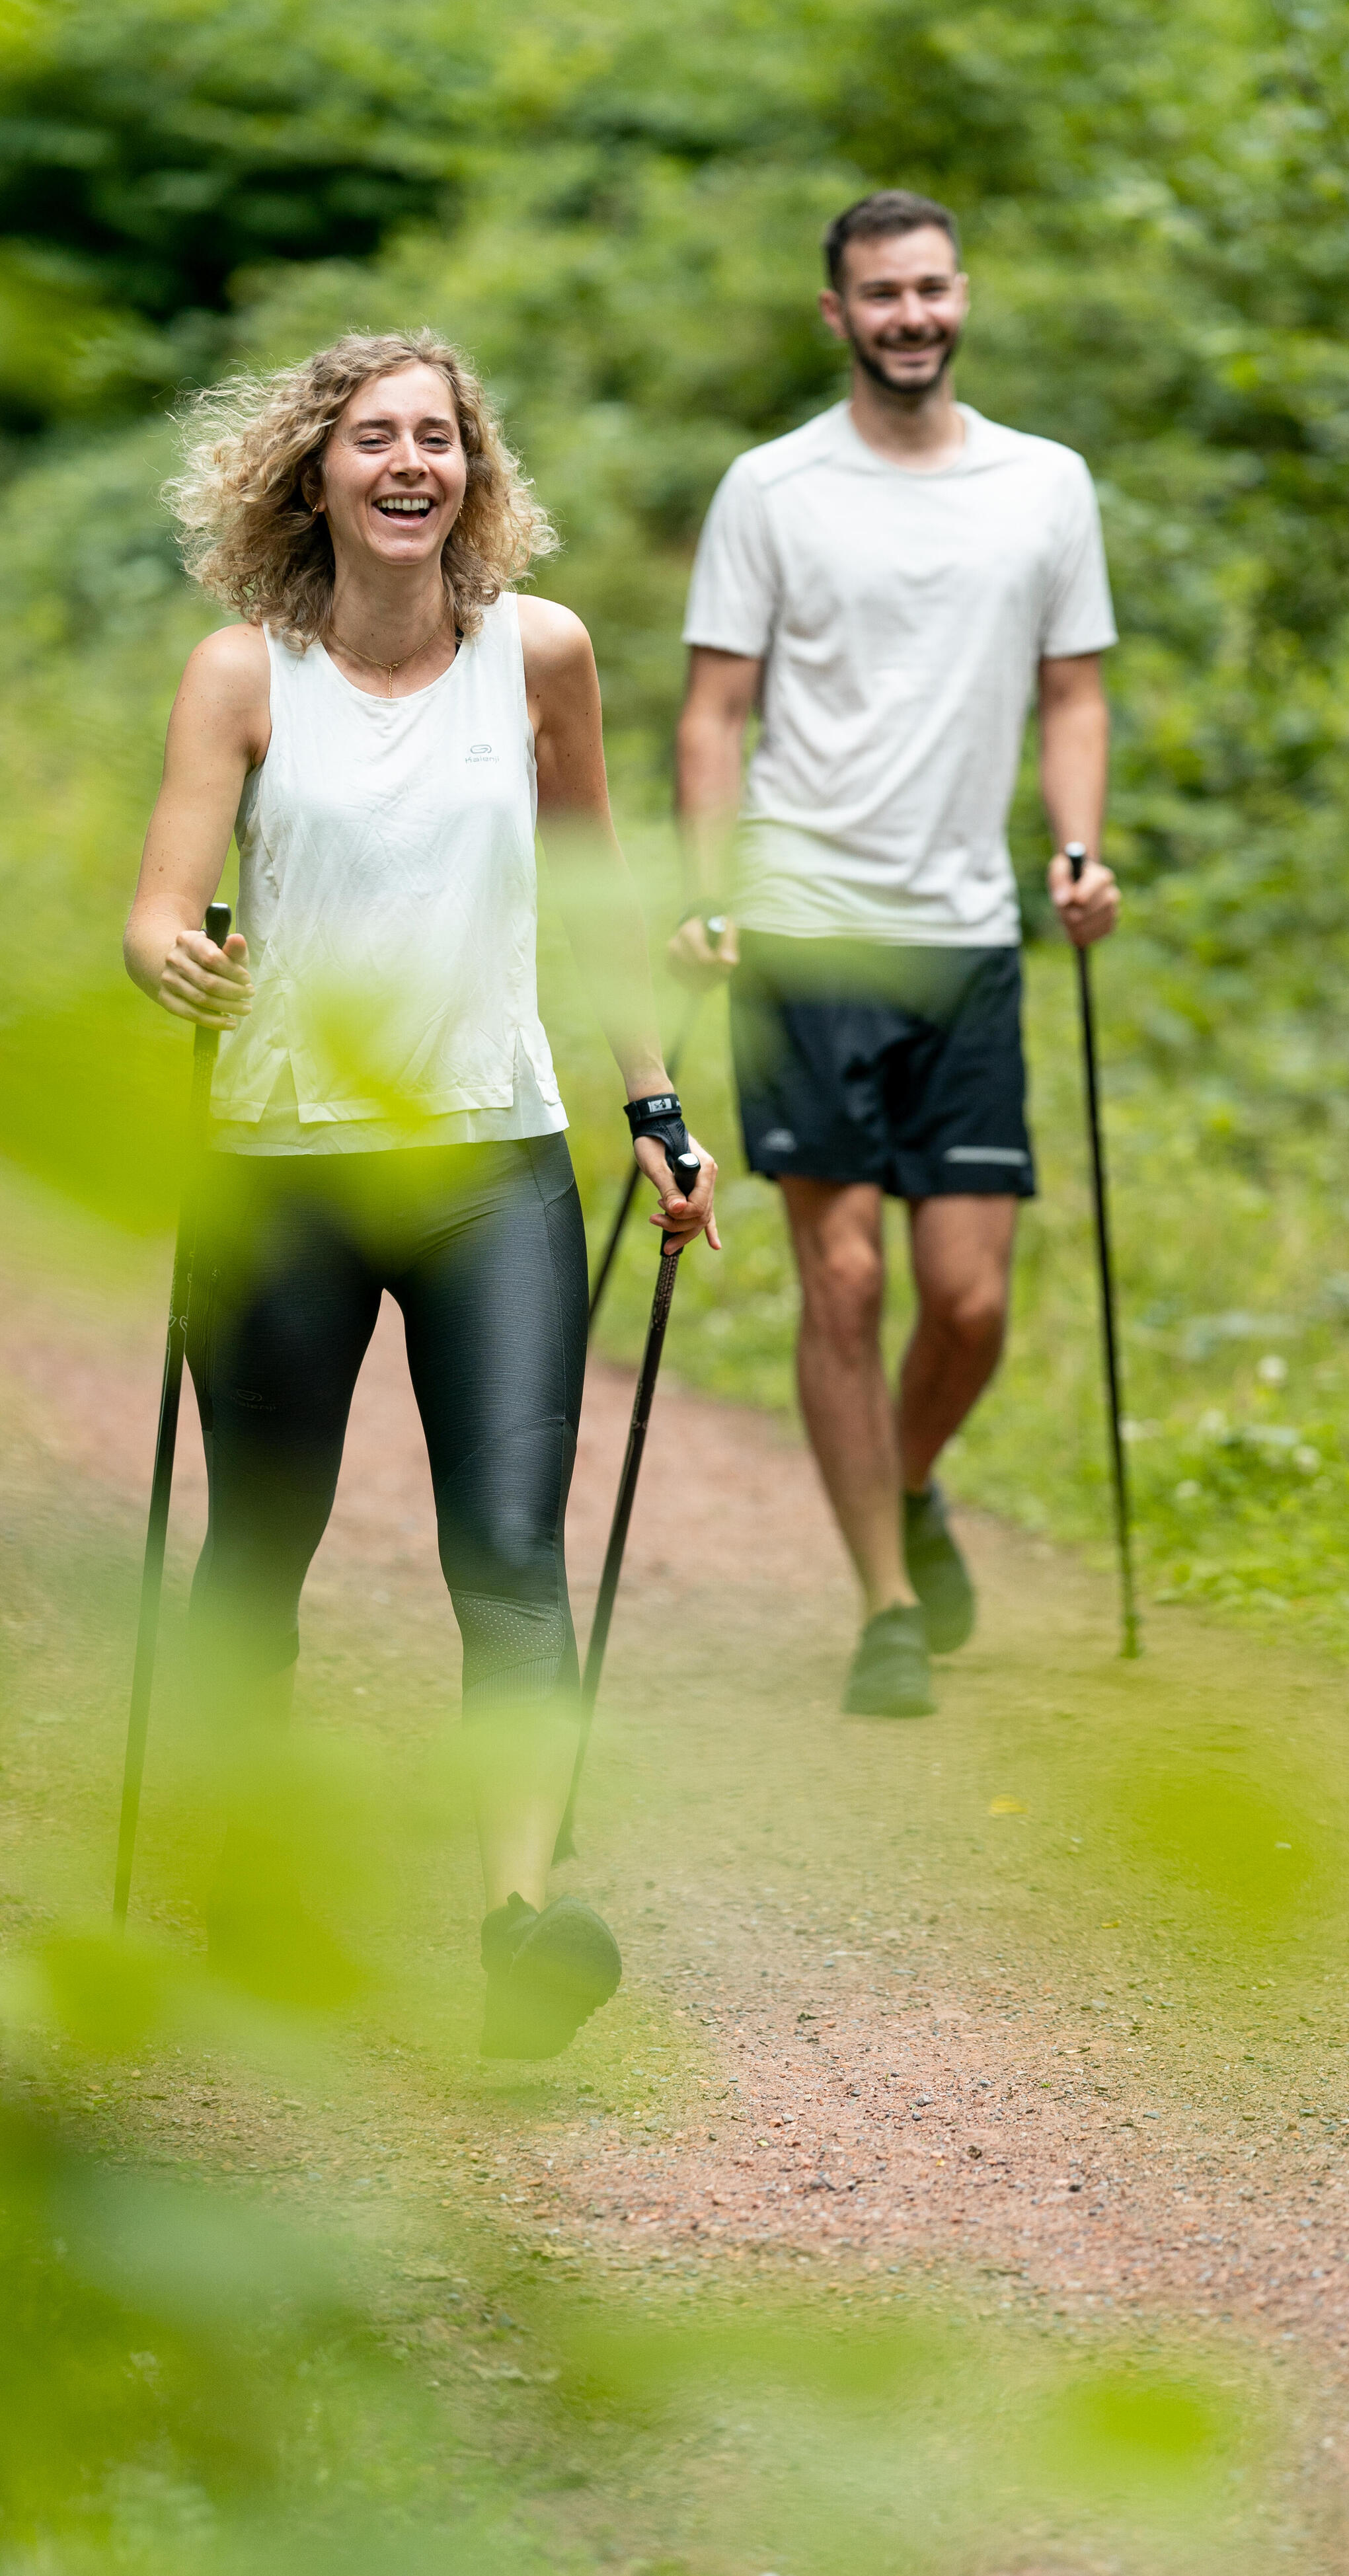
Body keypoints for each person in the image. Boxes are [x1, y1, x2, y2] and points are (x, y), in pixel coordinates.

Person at [125, 329, 718, 2057]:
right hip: (281, 1165)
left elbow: (603, 894)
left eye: (439, 439)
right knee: (257, 1552)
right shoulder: (241, 675)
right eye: (374, 438)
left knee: (512, 1555)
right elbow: (161, 904)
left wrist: (658, 1103)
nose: (410, 464)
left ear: (475, 471)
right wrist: (179, 963)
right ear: (310, 471)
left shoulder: (539, 656)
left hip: (491, 1162)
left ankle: (521, 1931)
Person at [670, 189, 1120, 1720]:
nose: (910, 316)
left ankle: (903, 1486)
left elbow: (1075, 691)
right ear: (836, 315)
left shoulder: (1044, 485)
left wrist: (1075, 843)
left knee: (972, 1301)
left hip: (966, 931)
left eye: (931, 289)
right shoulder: (773, 489)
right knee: (844, 1276)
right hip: (805, 921)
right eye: (881, 294)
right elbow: (715, 710)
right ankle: (883, 1610)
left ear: (963, 296)